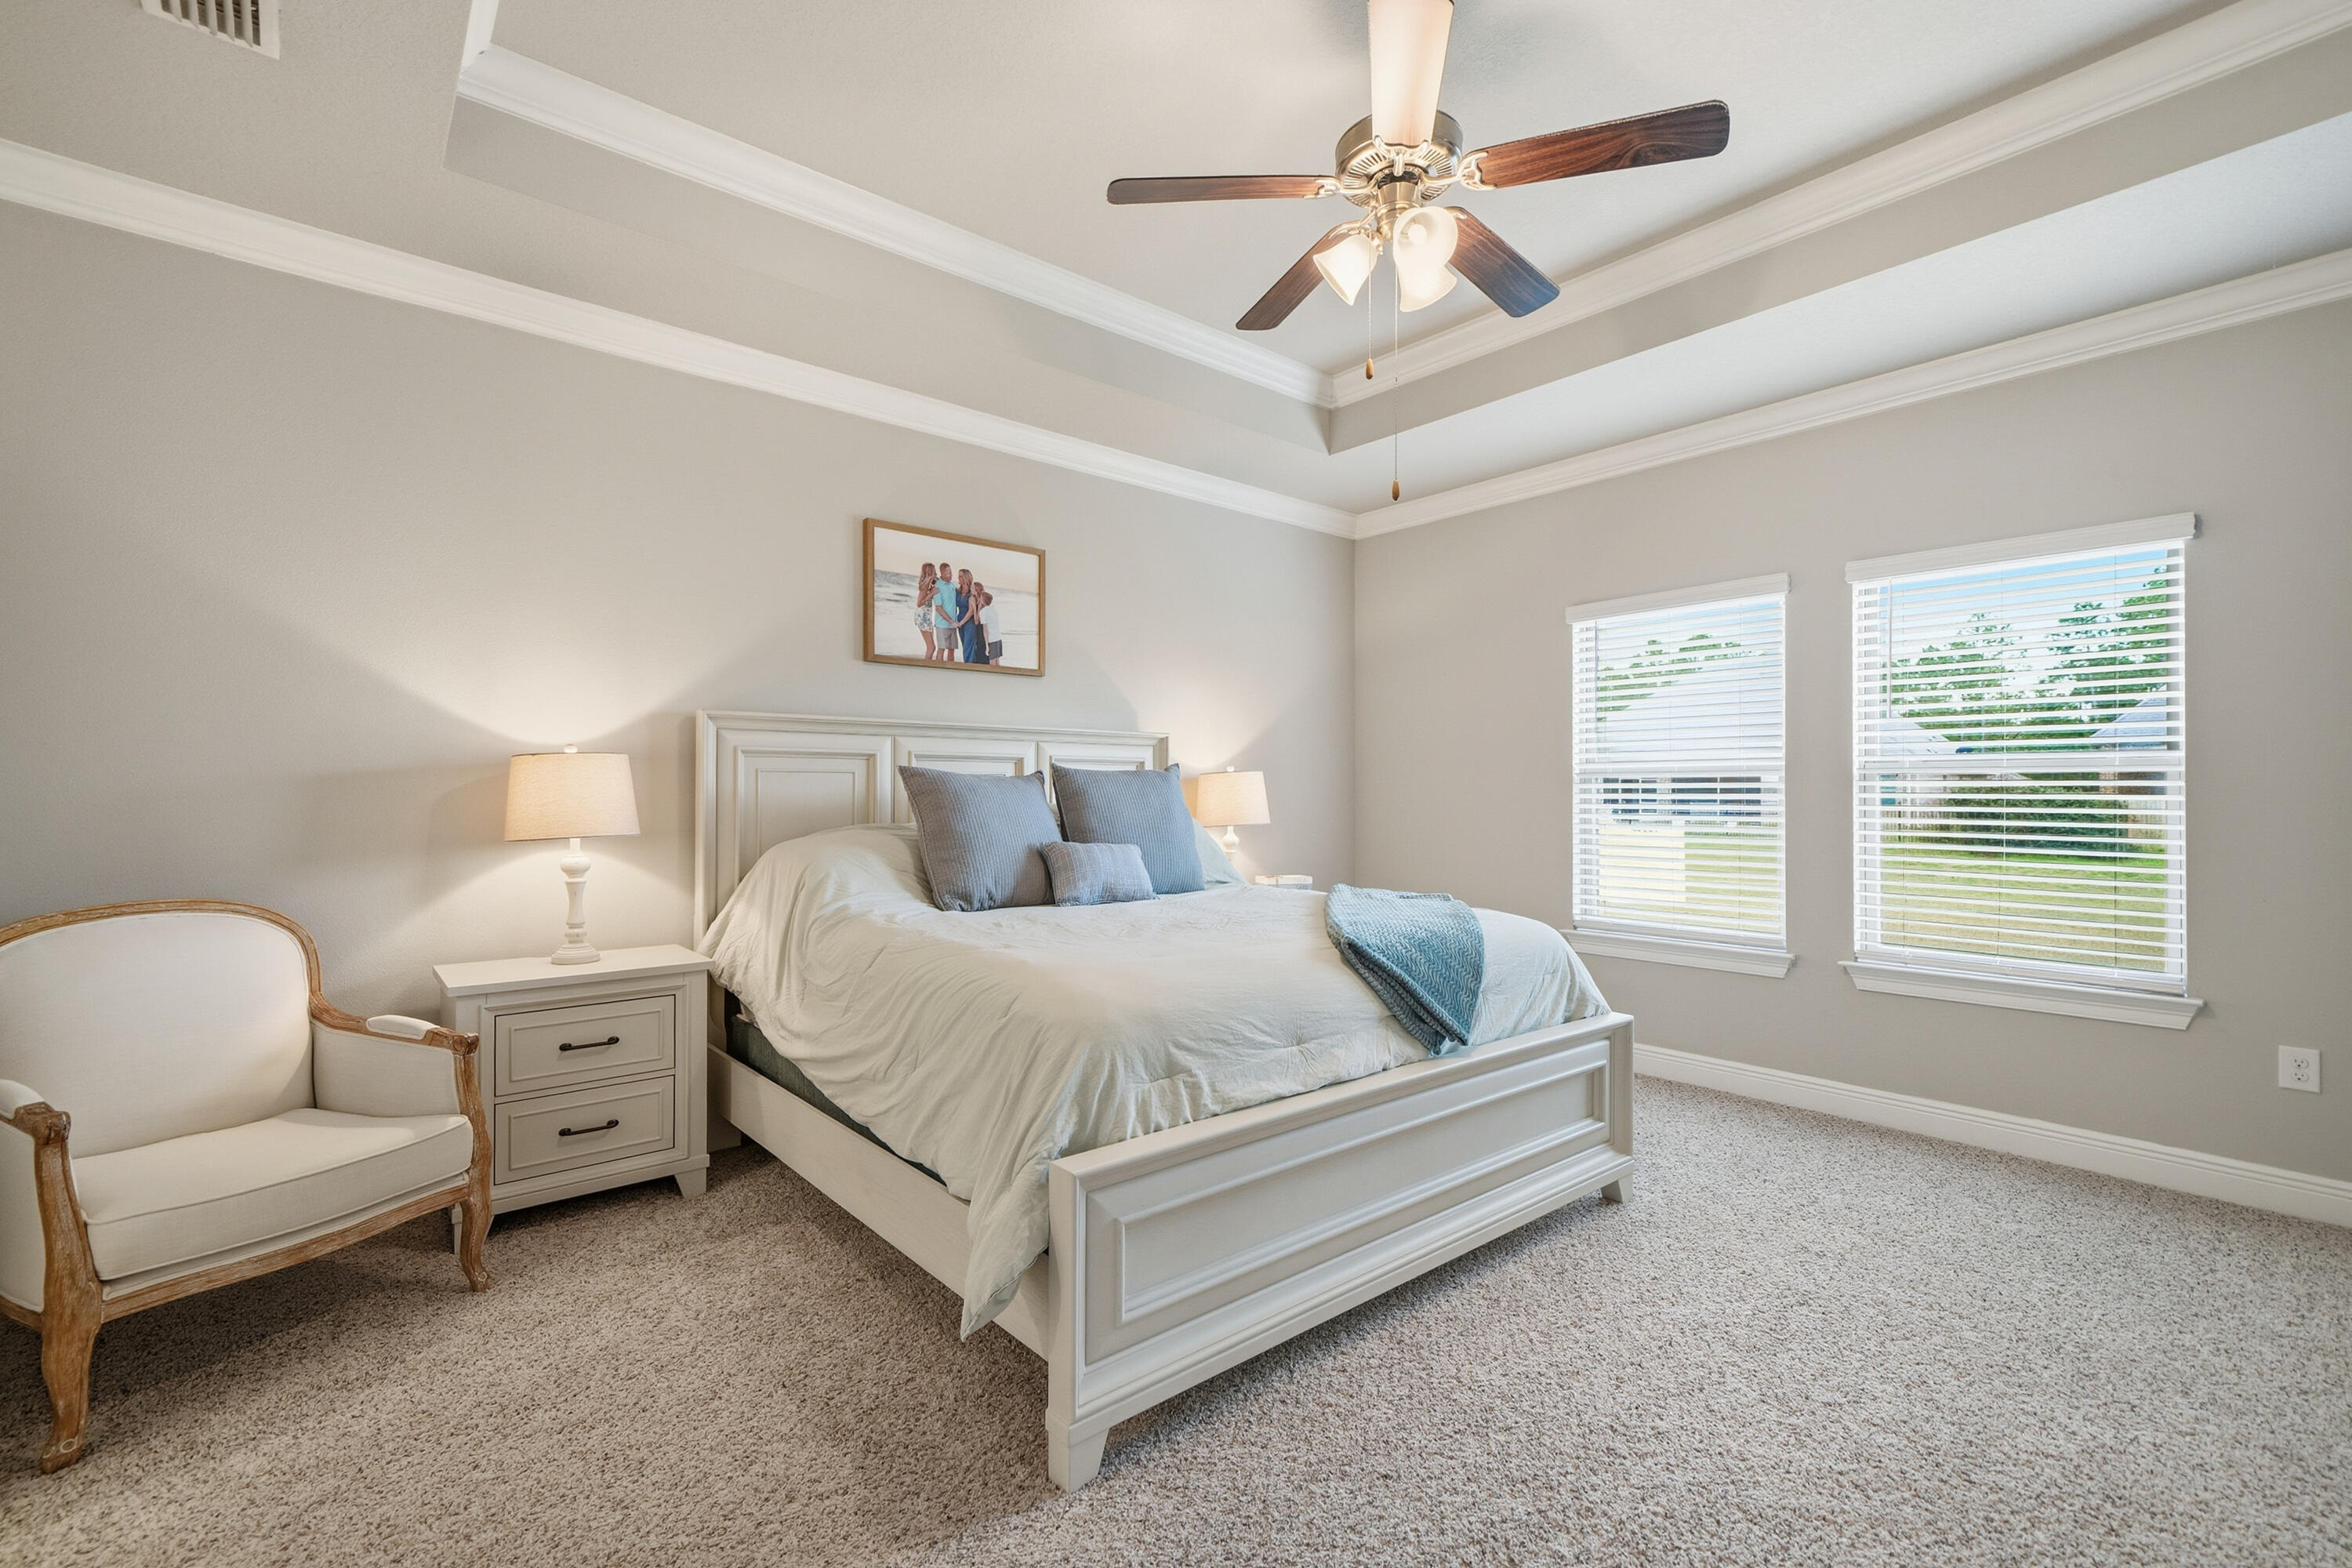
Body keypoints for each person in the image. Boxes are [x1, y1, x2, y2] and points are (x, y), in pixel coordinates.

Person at [930, 563, 961, 661]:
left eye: (951, 573)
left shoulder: (952, 585)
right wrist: (951, 621)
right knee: (941, 649)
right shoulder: (938, 586)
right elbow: (938, 608)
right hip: (942, 625)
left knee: (952, 650)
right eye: (948, 573)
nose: (951, 575)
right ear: (942, 573)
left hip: (953, 625)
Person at [913, 563, 939, 661]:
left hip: (926, 617)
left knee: (931, 647)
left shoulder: (930, 582)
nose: (933, 573)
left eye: (933, 570)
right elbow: (919, 603)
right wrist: (931, 593)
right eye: (931, 571)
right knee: (931, 647)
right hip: (923, 617)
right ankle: (925, 667)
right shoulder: (925, 583)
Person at [958, 573, 986, 665]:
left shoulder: (978, 601)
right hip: (971, 624)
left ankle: (969, 665)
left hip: (977, 627)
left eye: (973, 589)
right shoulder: (973, 598)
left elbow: (975, 619)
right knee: (968, 646)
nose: (971, 590)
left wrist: (974, 606)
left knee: (971, 647)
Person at [975, 588, 1003, 666]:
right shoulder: (993, 609)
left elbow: (985, 630)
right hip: (998, 638)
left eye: (981, 598)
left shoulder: (983, 612)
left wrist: (987, 645)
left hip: (992, 640)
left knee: (992, 662)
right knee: (997, 661)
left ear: (983, 600)